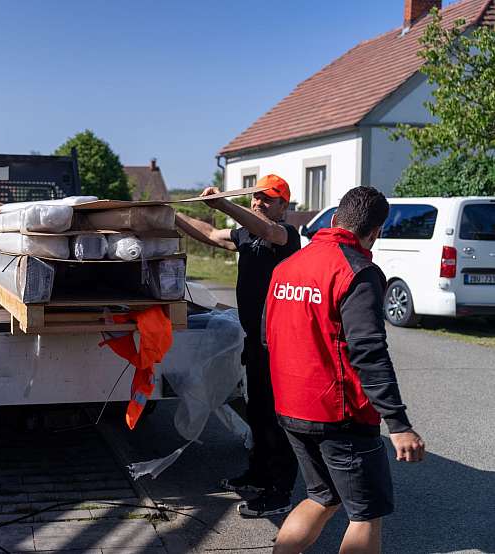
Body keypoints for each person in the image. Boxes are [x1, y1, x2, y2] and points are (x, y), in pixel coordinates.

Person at [264, 186, 425, 554]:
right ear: (375, 232)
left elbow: (267, 334)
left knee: (322, 497)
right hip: (340, 415)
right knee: (365, 514)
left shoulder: (287, 267)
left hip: (290, 406)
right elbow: (369, 352)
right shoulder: (358, 271)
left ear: (335, 219)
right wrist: (398, 425)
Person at [175, 174, 300, 517]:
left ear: (283, 206)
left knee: (277, 417)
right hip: (254, 341)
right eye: (255, 198)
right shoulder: (247, 233)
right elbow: (212, 233)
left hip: (278, 343)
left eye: (268, 199)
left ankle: (279, 491)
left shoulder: (287, 235)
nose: (259, 203)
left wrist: (224, 204)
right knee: (257, 411)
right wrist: (171, 215)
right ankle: (258, 474)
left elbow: (267, 232)